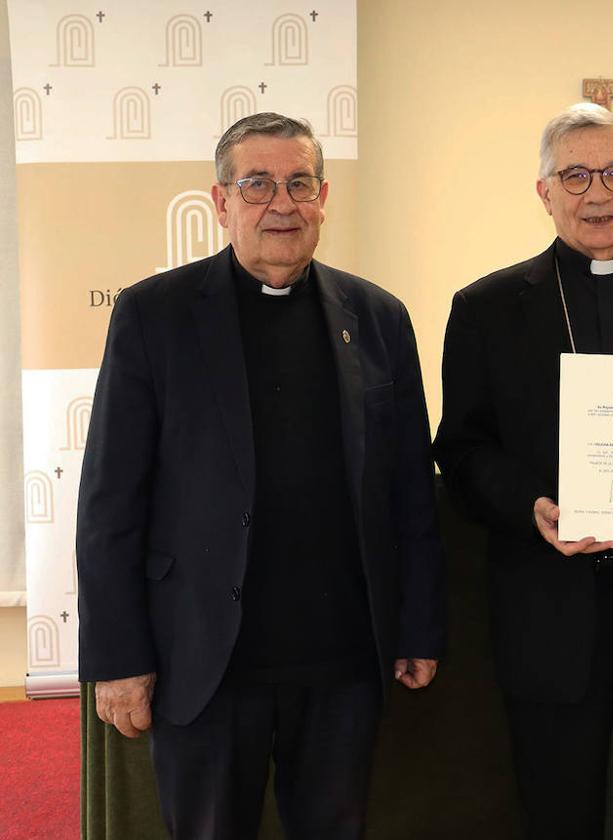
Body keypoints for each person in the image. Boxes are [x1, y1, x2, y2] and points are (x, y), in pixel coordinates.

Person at [76, 112, 446, 839]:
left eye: (299, 183)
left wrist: (419, 625)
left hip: (341, 658)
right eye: (257, 184)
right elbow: (111, 498)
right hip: (206, 658)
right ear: (220, 202)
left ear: (323, 195)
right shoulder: (155, 315)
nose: (282, 203)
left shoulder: (377, 317)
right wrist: (118, 659)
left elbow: (410, 488)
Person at [433, 102, 613, 839]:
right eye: (575, 175)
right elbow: (461, 450)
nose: (597, 193)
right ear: (544, 191)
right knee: (557, 813)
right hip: (550, 607)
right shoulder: (486, 308)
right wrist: (531, 505)